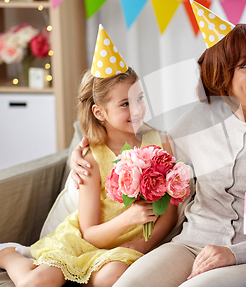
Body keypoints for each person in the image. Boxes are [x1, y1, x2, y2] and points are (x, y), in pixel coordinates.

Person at [69, 1, 246, 287]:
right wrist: (82, 151)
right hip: (190, 244)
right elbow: (143, 150)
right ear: (223, 76)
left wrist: (233, 253)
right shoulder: (195, 123)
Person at [0, 25, 178, 287]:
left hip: (126, 247)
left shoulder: (160, 144)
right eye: (125, 104)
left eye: (139, 98)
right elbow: (91, 234)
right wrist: (128, 218)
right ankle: (8, 254)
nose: (138, 109)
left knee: (112, 277)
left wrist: (143, 243)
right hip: (83, 241)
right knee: (35, 283)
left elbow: (170, 213)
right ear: (99, 112)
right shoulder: (91, 159)